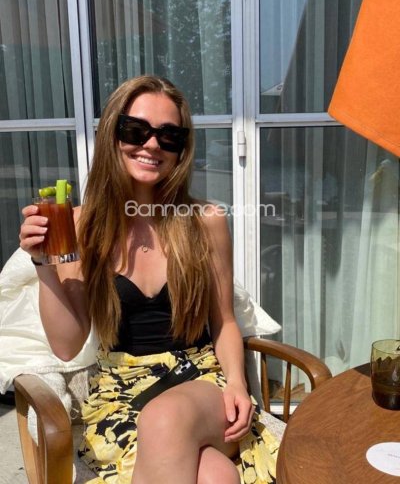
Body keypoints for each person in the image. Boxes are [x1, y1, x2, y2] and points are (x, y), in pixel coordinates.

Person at [19, 75, 279, 484]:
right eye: (136, 130)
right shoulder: (80, 226)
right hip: (121, 392)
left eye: (169, 135)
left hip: (201, 380)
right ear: (112, 133)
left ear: (181, 149)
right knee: (216, 476)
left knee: (165, 417)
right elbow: (67, 346)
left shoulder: (204, 221)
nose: (153, 144)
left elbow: (224, 320)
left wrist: (237, 384)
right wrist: (43, 264)